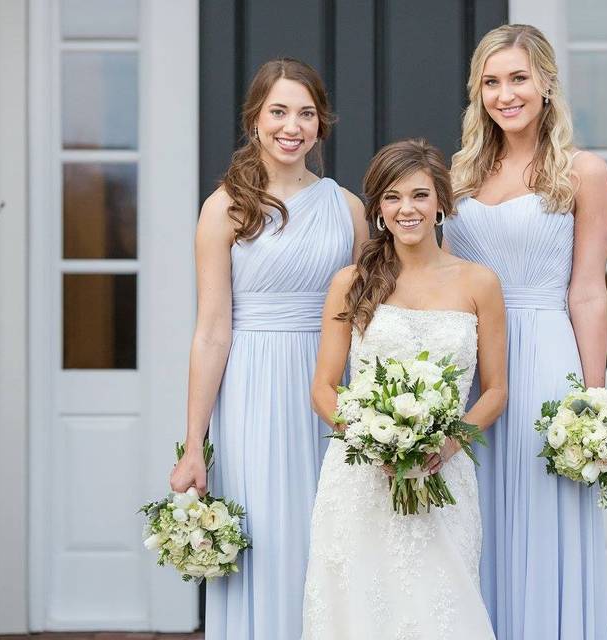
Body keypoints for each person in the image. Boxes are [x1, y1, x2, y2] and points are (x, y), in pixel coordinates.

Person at [169, 58, 368, 639]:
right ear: (254, 119)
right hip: (254, 387)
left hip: (331, 386)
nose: (292, 125)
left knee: (330, 535)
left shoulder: (347, 207)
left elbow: (371, 313)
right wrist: (193, 445)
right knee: (269, 535)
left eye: (306, 113)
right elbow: (211, 331)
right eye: (278, 111)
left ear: (320, 124)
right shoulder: (225, 207)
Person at [444, 24, 607, 640]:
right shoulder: (459, 175)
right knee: (473, 521)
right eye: (491, 82)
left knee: (545, 517)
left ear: (545, 83)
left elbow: (589, 289)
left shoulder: (582, 172)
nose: (505, 94)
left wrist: (594, 399)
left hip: (544, 355)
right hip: (471, 368)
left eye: (518, 78)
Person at [302, 139, 507, 639]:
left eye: (419, 195)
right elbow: (324, 389)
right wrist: (375, 441)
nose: (406, 209)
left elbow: (496, 389)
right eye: (392, 197)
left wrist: (445, 443)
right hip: (361, 477)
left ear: (441, 203)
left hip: (444, 472)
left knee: (443, 605)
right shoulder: (351, 282)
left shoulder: (480, 283)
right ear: (377, 210)